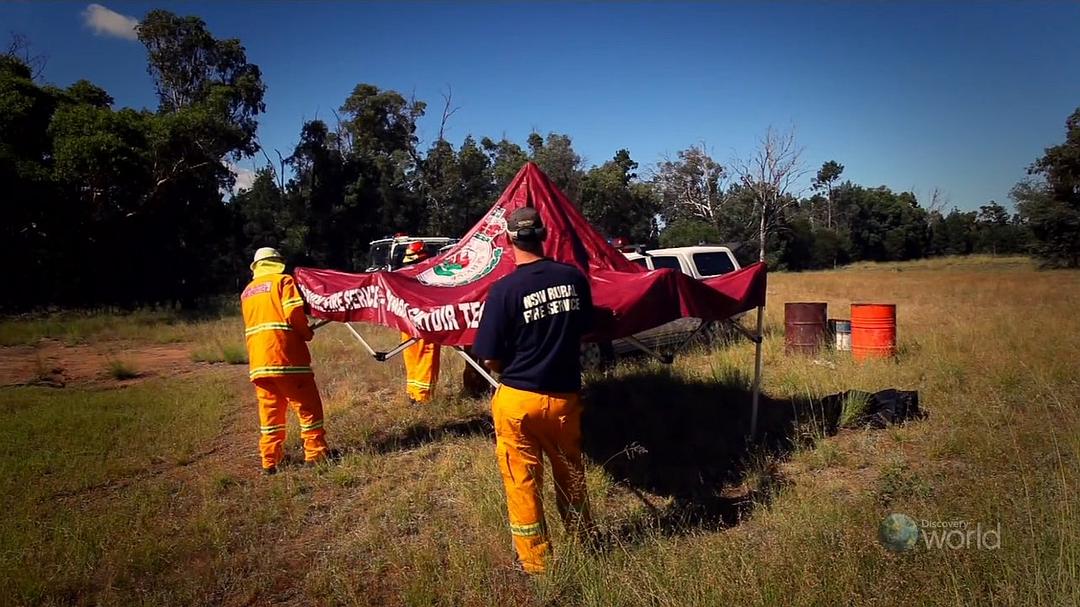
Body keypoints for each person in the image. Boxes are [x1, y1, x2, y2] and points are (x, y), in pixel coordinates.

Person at [472, 207, 594, 575]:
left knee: (522, 481)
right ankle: (584, 542)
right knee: (570, 473)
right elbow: (585, 328)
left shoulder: (505, 290)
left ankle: (535, 562)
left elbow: (490, 355)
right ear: (543, 234)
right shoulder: (574, 278)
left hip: (517, 400)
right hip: (563, 399)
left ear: (509, 239)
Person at [241, 247, 330, 475]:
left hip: (259, 364)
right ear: (277, 263)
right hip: (286, 359)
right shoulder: (283, 282)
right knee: (308, 408)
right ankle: (316, 454)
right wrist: (306, 333)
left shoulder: (248, 291)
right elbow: (293, 314)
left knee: (270, 415)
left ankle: (270, 461)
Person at [400, 241, 441, 404]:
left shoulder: (426, 273)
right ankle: (418, 394)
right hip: (416, 320)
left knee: (419, 354)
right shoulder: (416, 273)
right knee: (418, 354)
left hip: (416, 320)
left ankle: (418, 395)